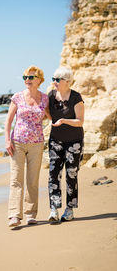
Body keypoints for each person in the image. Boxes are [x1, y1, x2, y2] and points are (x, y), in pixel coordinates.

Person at [5, 66, 49, 227]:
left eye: (31, 77)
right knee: (16, 179)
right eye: (25, 77)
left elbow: (50, 115)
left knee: (33, 180)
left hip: (37, 144)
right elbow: (9, 121)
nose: (27, 80)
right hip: (17, 143)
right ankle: (14, 215)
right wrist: (7, 141)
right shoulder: (17, 97)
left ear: (39, 80)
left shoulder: (45, 98)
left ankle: (31, 214)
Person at [47, 67, 84, 222]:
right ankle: (54, 209)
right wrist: (50, 119)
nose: (54, 82)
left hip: (74, 142)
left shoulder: (76, 97)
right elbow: (47, 112)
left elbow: (80, 121)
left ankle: (69, 210)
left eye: (57, 79)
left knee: (71, 174)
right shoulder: (51, 95)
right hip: (55, 140)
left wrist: (63, 121)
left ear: (67, 81)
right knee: (53, 174)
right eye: (53, 79)